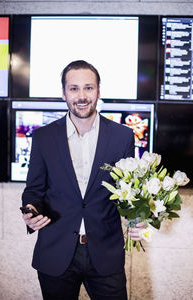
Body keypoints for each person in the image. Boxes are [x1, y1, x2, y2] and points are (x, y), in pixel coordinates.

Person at [22, 60, 145, 300]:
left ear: (98, 91)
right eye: (74, 88)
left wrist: (137, 218)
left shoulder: (122, 136)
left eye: (88, 88)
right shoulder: (43, 137)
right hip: (55, 252)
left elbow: (129, 190)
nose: (81, 96)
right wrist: (31, 209)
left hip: (105, 254)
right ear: (63, 93)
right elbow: (34, 190)